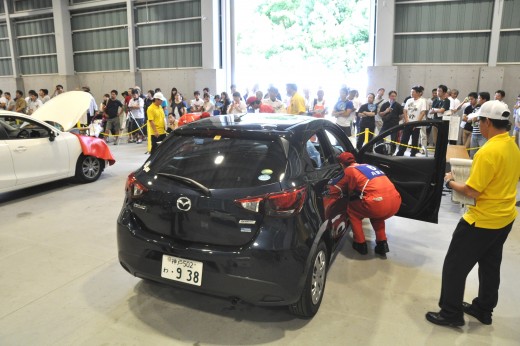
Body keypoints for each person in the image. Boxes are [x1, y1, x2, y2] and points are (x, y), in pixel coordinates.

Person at [426, 100, 520, 327]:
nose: (479, 123)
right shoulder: (511, 145)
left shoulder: (488, 151)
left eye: (480, 120)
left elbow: (472, 191)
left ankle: (450, 314)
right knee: (490, 266)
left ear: (487, 122)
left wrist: (450, 181)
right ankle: (483, 309)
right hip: (504, 218)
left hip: (481, 221)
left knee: (454, 266)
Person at [327, 152, 401, 255]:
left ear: (341, 164)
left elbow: (336, 188)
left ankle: (360, 244)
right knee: (377, 216)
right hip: (395, 201)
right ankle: (382, 244)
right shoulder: (368, 166)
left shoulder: (349, 170)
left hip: (378, 204)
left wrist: (327, 191)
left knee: (352, 211)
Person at [396, 86, 427, 157]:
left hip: (416, 124)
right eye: (411, 91)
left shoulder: (422, 101)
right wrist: (406, 120)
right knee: (404, 139)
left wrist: (416, 123)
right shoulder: (409, 100)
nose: (411, 93)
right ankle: (400, 152)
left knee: (414, 140)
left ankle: (413, 154)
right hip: (408, 123)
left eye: (413, 92)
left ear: (419, 93)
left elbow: (422, 112)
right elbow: (405, 110)